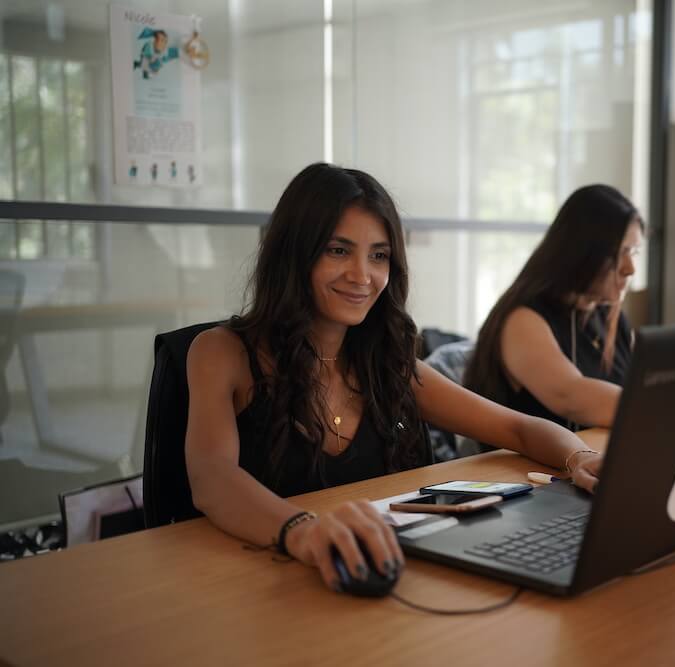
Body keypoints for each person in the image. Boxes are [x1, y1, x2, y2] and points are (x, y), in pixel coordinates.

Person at [184, 163, 602, 592]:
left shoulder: (386, 362)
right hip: (262, 584)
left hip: (379, 574)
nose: (362, 276)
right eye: (338, 250)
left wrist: (580, 458)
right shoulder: (221, 353)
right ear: (295, 253)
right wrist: (304, 531)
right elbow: (212, 478)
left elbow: (514, 426)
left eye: (379, 255)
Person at [465, 184, 643, 432]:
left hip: (591, 460)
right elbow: (570, 397)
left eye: (634, 252)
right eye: (618, 253)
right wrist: (659, 407)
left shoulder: (610, 316)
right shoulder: (523, 319)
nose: (630, 268)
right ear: (581, 251)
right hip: (526, 469)